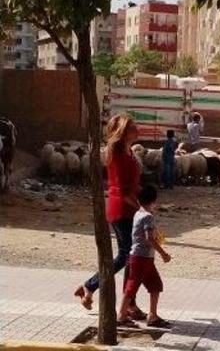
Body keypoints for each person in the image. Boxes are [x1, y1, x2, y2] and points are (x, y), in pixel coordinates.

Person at [74, 114, 146, 320]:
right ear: (123, 132)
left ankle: (125, 301)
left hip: (130, 207)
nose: (137, 129)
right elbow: (122, 189)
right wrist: (141, 209)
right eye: (133, 127)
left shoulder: (129, 151)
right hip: (122, 208)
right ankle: (98, 289)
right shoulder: (119, 155)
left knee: (129, 255)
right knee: (128, 255)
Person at [118, 184, 172, 329]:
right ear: (153, 202)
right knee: (132, 287)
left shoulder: (138, 214)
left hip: (142, 257)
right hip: (142, 258)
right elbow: (149, 238)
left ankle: (152, 316)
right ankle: (121, 316)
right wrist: (163, 253)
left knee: (155, 285)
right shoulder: (148, 217)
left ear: (138, 200)